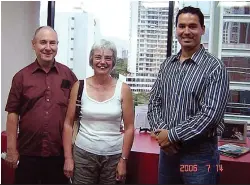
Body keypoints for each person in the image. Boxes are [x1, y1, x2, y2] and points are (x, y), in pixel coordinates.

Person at [147, 6, 230, 184]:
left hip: (200, 155)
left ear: (202, 30)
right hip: (168, 153)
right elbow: (154, 103)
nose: (186, 31)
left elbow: (210, 115)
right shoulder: (167, 64)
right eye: (181, 26)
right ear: (176, 29)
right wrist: (164, 137)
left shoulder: (215, 68)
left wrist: (171, 136)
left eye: (192, 26)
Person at [4, 26, 78, 184]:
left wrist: (70, 154)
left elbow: (75, 115)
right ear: (33, 44)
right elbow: (12, 113)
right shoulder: (21, 77)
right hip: (28, 153)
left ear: (57, 45)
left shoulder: (69, 76)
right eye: (43, 42)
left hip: (58, 154)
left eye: (53, 43)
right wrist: (11, 149)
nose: (48, 48)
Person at [62, 39, 135, 184]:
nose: (102, 62)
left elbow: (129, 128)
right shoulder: (79, 86)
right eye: (98, 57)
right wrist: (68, 158)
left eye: (108, 58)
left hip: (113, 157)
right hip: (83, 155)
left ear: (113, 62)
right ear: (91, 60)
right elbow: (68, 124)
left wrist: (123, 161)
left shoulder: (123, 89)